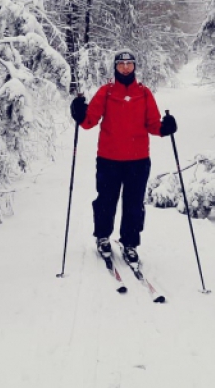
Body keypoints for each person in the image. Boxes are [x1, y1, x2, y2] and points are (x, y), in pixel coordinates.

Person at [69, 50, 177, 265]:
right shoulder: (106, 92)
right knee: (106, 201)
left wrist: (166, 128)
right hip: (109, 158)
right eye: (121, 64)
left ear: (135, 67)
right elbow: (89, 121)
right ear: (115, 67)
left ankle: (130, 243)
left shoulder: (144, 93)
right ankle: (102, 237)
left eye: (129, 64)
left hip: (138, 160)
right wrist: (80, 113)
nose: (126, 67)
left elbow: (153, 124)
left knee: (134, 204)